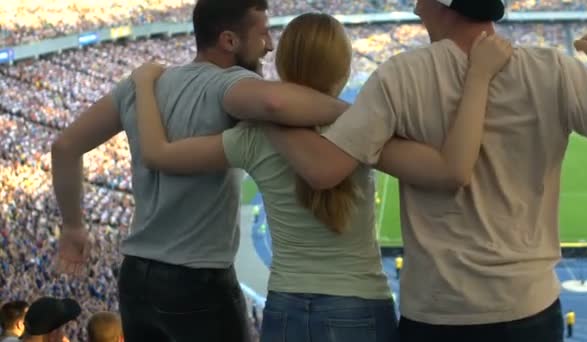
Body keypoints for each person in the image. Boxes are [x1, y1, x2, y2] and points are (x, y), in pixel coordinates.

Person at [130, 12, 510, 342]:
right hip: (358, 306)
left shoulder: (254, 134)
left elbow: (158, 154)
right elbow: (451, 170)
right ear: (343, 69)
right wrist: (478, 76)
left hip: (285, 307)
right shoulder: (362, 125)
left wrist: (144, 85)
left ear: (284, 67)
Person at [262, 1, 587, 341]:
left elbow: (324, 169)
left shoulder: (400, 75)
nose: (415, 9)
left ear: (445, 6)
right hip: (530, 305)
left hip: (438, 311)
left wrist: (265, 118)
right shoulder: (553, 69)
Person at [50, 0, 349, 341]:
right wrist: (360, 112)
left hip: (134, 276)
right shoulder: (230, 83)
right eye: (263, 33)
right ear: (229, 41)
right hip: (198, 279)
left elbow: (64, 147)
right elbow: (274, 102)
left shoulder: (139, 85)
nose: (269, 45)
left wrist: (73, 226)